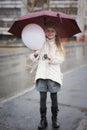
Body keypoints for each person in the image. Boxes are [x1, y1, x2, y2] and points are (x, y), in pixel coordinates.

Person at [29, 21, 65, 129]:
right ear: (45, 32)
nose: (50, 33)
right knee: (42, 98)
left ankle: (54, 119)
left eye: (52, 31)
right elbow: (32, 57)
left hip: (53, 75)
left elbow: (61, 59)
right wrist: (35, 54)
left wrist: (51, 58)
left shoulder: (58, 44)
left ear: (56, 33)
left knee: (54, 97)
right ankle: (43, 120)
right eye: (48, 31)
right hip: (41, 74)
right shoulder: (40, 43)